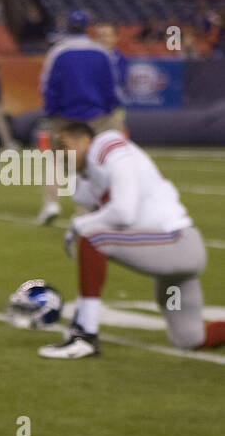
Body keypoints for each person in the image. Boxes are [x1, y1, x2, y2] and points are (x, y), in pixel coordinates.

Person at [40, 123, 225, 358]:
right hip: (172, 272)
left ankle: (85, 335)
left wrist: (80, 225)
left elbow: (124, 213)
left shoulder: (108, 148)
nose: (60, 154)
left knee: (94, 238)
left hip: (179, 245)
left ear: (84, 140)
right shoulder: (84, 179)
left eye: (64, 146)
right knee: (189, 338)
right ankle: (83, 328)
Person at [36, 9, 121, 224]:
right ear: (87, 27)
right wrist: (109, 108)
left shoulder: (58, 52)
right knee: (94, 160)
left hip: (64, 116)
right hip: (96, 116)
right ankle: (85, 207)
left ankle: (51, 204)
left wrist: (52, 111)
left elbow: (48, 86)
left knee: (55, 159)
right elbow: (110, 87)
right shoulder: (101, 53)